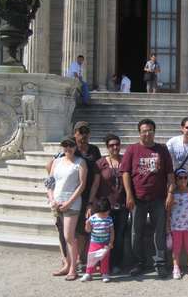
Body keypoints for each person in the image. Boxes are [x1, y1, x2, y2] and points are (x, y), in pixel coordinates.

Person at [120, 118, 176, 278]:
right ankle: (138, 263)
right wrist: (129, 195)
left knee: (159, 232)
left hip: (159, 198)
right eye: (144, 131)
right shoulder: (132, 150)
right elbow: (125, 173)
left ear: (154, 132)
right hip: (138, 198)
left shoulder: (162, 150)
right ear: (139, 133)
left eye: (150, 130)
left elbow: (170, 174)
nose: (147, 133)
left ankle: (160, 264)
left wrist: (170, 193)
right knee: (136, 232)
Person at [46, 121, 102, 271]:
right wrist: (59, 184)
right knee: (64, 229)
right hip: (66, 195)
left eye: (86, 132)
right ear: (75, 132)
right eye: (81, 131)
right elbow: (50, 166)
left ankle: (77, 259)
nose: (84, 135)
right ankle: (67, 260)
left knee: (82, 229)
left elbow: (97, 172)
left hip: (85, 194)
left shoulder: (94, 150)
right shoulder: (67, 149)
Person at [47, 135, 88, 281]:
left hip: (72, 202)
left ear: (75, 147)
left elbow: (81, 185)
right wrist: (51, 199)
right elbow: (49, 182)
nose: (68, 148)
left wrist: (69, 202)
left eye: (71, 145)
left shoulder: (80, 163)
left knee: (69, 236)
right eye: (65, 145)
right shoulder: (56, 162)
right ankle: (66, 263)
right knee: (61, 235)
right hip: (56, 202)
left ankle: (73, 268)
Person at [87, 134, 129, 274]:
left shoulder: (126, 160)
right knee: (103, 234)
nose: (115, 147)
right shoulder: (101, 163)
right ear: (107, 147)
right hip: (106, 207)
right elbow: (95, 185)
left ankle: (116, 263)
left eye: (117, 144)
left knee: (119, 235)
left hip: (123, 204)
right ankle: (102, 262)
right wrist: (89, 203)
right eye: (111, 145)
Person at [165, 169, 188, 280]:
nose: (183, 180)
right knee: (176, 247)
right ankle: (176, 268)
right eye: (180, 178)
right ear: (176, 180)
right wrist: (167, 224)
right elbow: (168, 210)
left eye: (185, 177)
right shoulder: (173, 193)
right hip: (176, 224)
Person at [81, 197, 114, 283]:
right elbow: (88, 230)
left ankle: (105, 273)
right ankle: (89, 273)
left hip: (105, 243)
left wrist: (111, 242)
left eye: (107, 213)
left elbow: (111, 231)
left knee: (105, 259)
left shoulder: (109, 219)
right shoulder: (92, 218)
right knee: (91, 258)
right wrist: (87, 224)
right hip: (94, 243)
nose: (105, 216)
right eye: (103, 214)